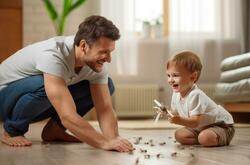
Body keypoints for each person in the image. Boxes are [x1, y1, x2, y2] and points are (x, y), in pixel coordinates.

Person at [0, 15, 133, 152]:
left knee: (108, 85)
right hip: (4, 99)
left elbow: (104, 108)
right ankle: (12, 131)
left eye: (110, 52)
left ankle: (54, 130)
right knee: (45, 84)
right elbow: (67, 116)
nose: (109, 59)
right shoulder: (54, 54)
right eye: (104, 52)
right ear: (83, 46)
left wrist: (113, 139)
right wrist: (102, 143)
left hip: (29, 102)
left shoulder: (95, 63)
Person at [164, 51, 235, 147]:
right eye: (169, 75)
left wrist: (178, 120)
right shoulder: (176, 94)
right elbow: (176, 114)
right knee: (179, 135)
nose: (170, 80)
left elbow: (194, 122)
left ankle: (213, 138)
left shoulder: (196, 95)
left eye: (175, 75)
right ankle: (203, 138)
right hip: (201, 127)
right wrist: (166, 112)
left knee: (204, 138)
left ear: (193, 77)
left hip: (221, 125)